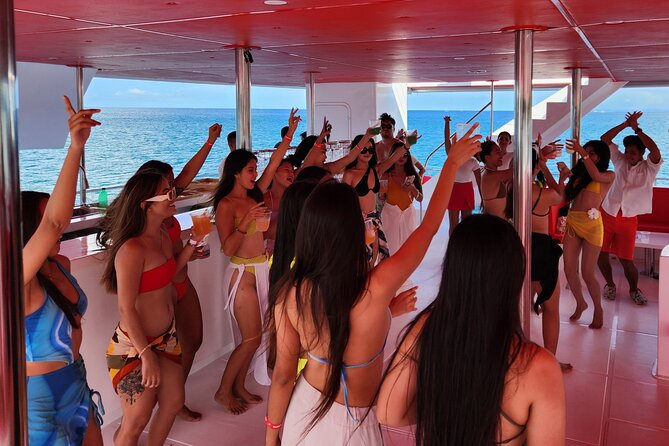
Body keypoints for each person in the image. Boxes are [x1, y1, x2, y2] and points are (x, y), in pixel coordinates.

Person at [264, 126, 481, 446]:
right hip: (352, 424)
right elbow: (429, 227)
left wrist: (271, 436)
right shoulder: (376, 286)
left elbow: (283, 377)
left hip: (302, 410)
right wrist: (450, 165)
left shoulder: (291, 292)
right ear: (352, 229)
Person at [376, 214, 566, 446]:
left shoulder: (428, 329)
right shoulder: (539, 367)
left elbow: (388, 411)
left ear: (452, 272)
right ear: (514, 278)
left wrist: (444, 406)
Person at [98, 169, 204, 445]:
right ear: (145, 205)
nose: (173, 196)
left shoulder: (163, 236)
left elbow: (170, 273)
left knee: (173, 401)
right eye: (167, 193)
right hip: (134, 347)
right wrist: (145, 355)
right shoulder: (132, 249)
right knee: (137, 419)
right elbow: (126, 308)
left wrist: (193, 243)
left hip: (165, 340)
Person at [23, 96, 103, 446]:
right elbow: (54, 223)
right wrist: (75, 149)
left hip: (75, 378)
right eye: (42, 221)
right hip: (39, 398)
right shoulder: (17, 279)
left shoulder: (59, 265)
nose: (62, 223)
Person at [213, 108, 300, 414]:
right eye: (250, 170)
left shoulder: (255, 196)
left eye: (255, 169)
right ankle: (223, 390)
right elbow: (227, 248)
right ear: (236, 173)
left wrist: (289, 134)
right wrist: (247, 221)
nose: (255, 174)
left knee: (259, 335)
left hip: (261, 267)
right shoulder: (227, 205)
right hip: (242, 274)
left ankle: (239, 386)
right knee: (250, 338)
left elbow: (275, 163)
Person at [135, 122, 222, 422]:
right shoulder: (149, 218)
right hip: (167, 288)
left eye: (172, 184)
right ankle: (165, 403)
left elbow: (188, 173)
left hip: (182, 278)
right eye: (167, 185)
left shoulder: (168, 205)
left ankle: (174, 397)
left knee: (193, 340)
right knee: (170, 349)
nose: (174, 189)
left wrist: (209, 142)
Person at [598, 111, 663, 305]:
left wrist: (637, 129)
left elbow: (655, 150)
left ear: (642, 154)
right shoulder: (619, 160)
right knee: (601, 254)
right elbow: (604, 139)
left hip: (628, 219)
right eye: (627, 151)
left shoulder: (650, 168)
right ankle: (610, 285)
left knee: (626, 260)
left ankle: (634, 290)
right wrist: (625, 125)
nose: (628, 155)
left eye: (633, 152)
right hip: (607, 213)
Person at [563, 139, 615, 329]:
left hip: (592, 226)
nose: (587, 155)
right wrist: (563, 175)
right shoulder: (580, 174)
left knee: (587, 272)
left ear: (600, 156)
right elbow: (565, 196)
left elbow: (596, 175)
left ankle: (598, 310)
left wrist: (581, 152)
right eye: (587, 152)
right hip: (573, 221)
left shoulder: (608, 175)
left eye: (592, 153)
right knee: (569, 269)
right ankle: (580, 303)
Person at [343, 131, 409, 265]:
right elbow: (343, 201)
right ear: (356, 150)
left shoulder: (375, 170)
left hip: (374, 220)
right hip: (358, 222)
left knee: (375, 260)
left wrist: (407, 146)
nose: (367, 152)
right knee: (362, 261)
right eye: (363, 149)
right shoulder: (349, 174)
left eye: (371, 149)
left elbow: (392, 159)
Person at [379, 141, 423, 255]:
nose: (402, 157)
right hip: (390, 216)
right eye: (398, 154)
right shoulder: (386, 175)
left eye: (405, 154)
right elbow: (381, 199)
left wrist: (413, 189)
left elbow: (420, 198)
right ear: (393, 155)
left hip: (408, 216)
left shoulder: (413, 175)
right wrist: (381, 193)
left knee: (408, 250)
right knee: (391, 250)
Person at [444, 115, 481, 235]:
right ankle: (452, 245)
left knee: (467, 224)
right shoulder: (452, 155)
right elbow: (447, 140)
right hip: (454, 190)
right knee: (453, 224)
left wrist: (483, 198)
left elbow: (479, 181)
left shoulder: (473, 161)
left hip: (467, 191)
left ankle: (465, 245)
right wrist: (447, 123)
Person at [376, 112, 425, 176]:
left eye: (388, 126)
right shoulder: (375, 147)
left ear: (393, 129)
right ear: (379, 129)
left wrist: (416, 180)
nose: (385, 129)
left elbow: (411, 167)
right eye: (383, 126)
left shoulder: (400, 146)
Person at [263, 159, 295, 256]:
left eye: (292, 171)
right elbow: (261, 235)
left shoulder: (295, 199)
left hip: (291, 253)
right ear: (274, 173)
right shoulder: (263, 200)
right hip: (267, 255)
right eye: (287, 170)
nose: (291, 174)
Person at [479, 140, 513, 219]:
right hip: (494, 224)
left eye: (500, 151)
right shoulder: (490, 176)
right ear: (487, 157)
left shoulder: (492, 174)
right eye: (498, 152)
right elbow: (517, 171)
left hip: (497, 223)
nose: (501, 155)